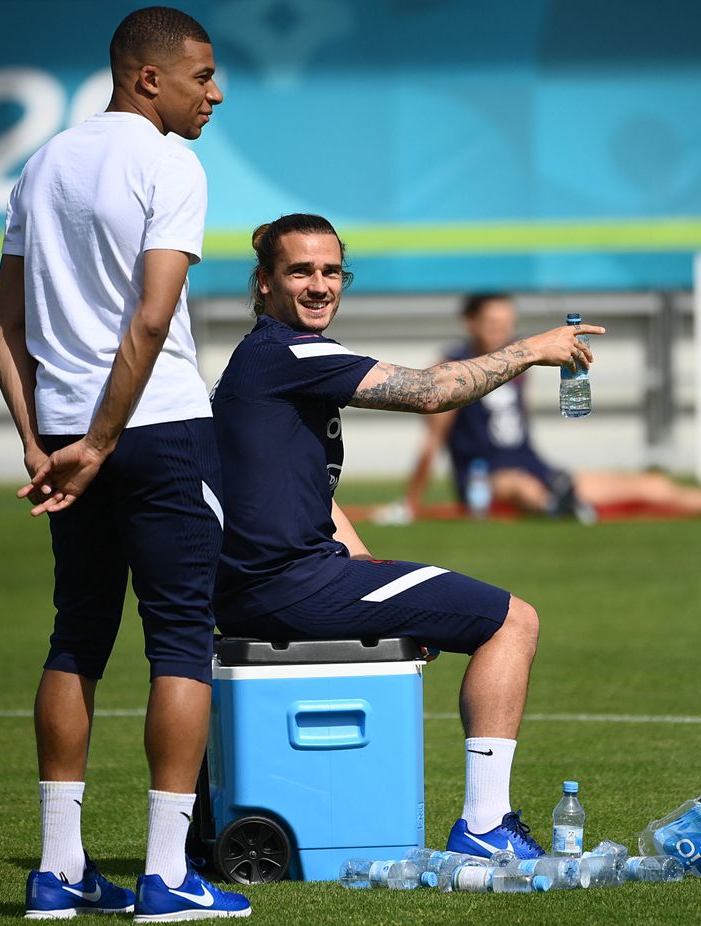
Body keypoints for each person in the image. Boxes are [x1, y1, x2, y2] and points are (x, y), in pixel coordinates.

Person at [210, 213, 604, 859]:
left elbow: (300, 490)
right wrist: (533, 349)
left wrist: (363, 563)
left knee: (458, 603)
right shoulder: (290, 352)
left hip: (272, 586)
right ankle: (484, 826)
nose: (318, 285)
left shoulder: (262, 360)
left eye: (330, 271)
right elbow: (427, 391)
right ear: (262, 284)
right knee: (513, 621)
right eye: (299, 271)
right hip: (292, 587)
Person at [0, 7, 250, 921]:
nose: (214, 93)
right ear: (149, 78)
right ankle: (168, 878)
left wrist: (39, 440)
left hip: (64, 436)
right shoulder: (171, 162)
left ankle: (58, 873)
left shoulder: (42, 162)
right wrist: (101, 441)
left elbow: (3, 325)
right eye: (202, 75)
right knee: (181, 640)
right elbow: (150, 318)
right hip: (155, 429)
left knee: (76, 638)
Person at [387, 292, 701, 523]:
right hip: (485, 478)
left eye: (507, 323)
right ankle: (562, 506)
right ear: (471, 323)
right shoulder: (452, 367)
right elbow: (432, 440)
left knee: (652, 485)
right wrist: (411, 503)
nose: (502, 331)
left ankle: (566, 502)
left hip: (535, 467)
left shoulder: (518, 361)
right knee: (522, 489)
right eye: (493, 323)